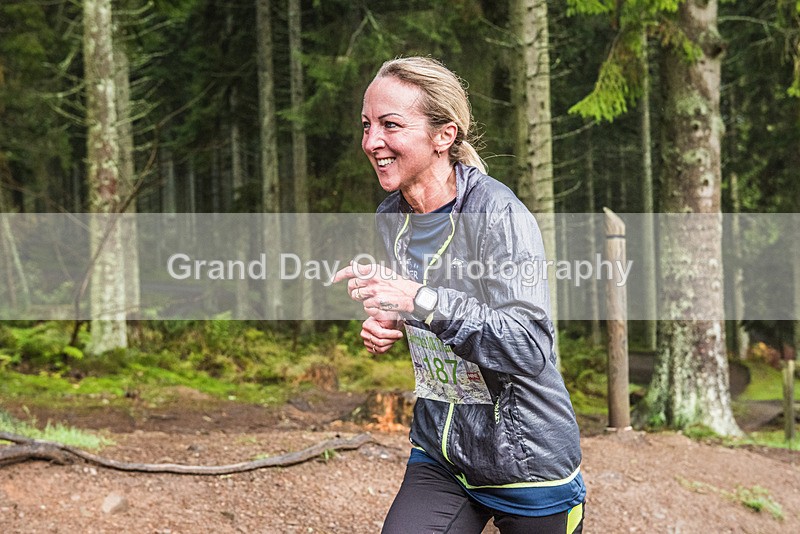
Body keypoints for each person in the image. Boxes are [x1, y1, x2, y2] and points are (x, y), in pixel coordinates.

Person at [333, 56, 585, 533]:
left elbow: (528, 345)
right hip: (442, 451)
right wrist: (393, 317)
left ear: (443, 135)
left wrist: (420, 300)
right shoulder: (392, 216)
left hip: (526, 460)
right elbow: (429, 306)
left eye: (390, 125)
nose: (371, 142)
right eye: (366, 125)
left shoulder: (498, 213)